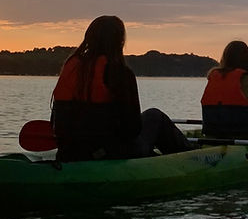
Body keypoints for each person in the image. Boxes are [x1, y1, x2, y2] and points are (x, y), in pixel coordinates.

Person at [50, 15, 190, 162]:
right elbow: (132, 129)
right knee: (155, 116)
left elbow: (56, 123)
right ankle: (193, 159)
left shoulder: (71, 66)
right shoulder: (120, 72)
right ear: (120, 41)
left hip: (70, 153)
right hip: (111, 154)